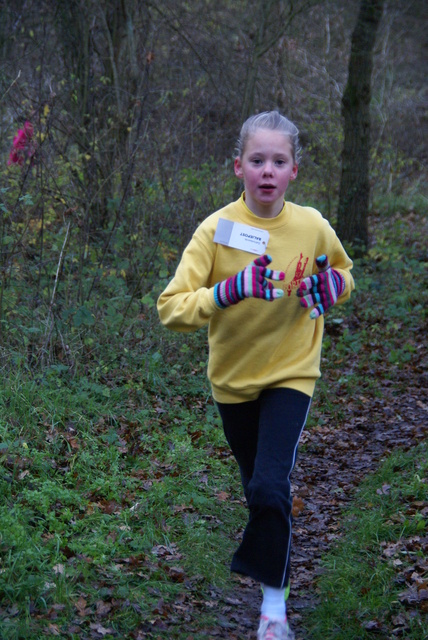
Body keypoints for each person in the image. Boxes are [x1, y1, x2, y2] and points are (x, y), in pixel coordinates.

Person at [157, 111, 354, 640]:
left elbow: (342, 270)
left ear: (294, 171)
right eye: (257, 160)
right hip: (233, 381)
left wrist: (331, 287)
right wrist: (231, 288)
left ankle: (273, 612)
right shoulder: (216, 230)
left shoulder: (311, 225)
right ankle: (277, 577)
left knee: (271, 482)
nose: (268, 170)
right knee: (258, 490)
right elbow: (171, 307)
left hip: (292, 371)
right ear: (238, 167)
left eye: (279, 161)